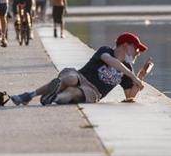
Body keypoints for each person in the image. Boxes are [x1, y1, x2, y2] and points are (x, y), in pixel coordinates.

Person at [11, 32, 153, 106]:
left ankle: (53, 97)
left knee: (73, 93)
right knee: (70, 79)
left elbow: (130, 96)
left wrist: (142, 74)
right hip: (80, 76)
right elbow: (110, 61)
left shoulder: (128, 68)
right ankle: (29, 95)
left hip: (93, 92)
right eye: (136, 48)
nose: (137, 53)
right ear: (125, 45)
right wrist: (133, 76)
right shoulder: (106, 51)